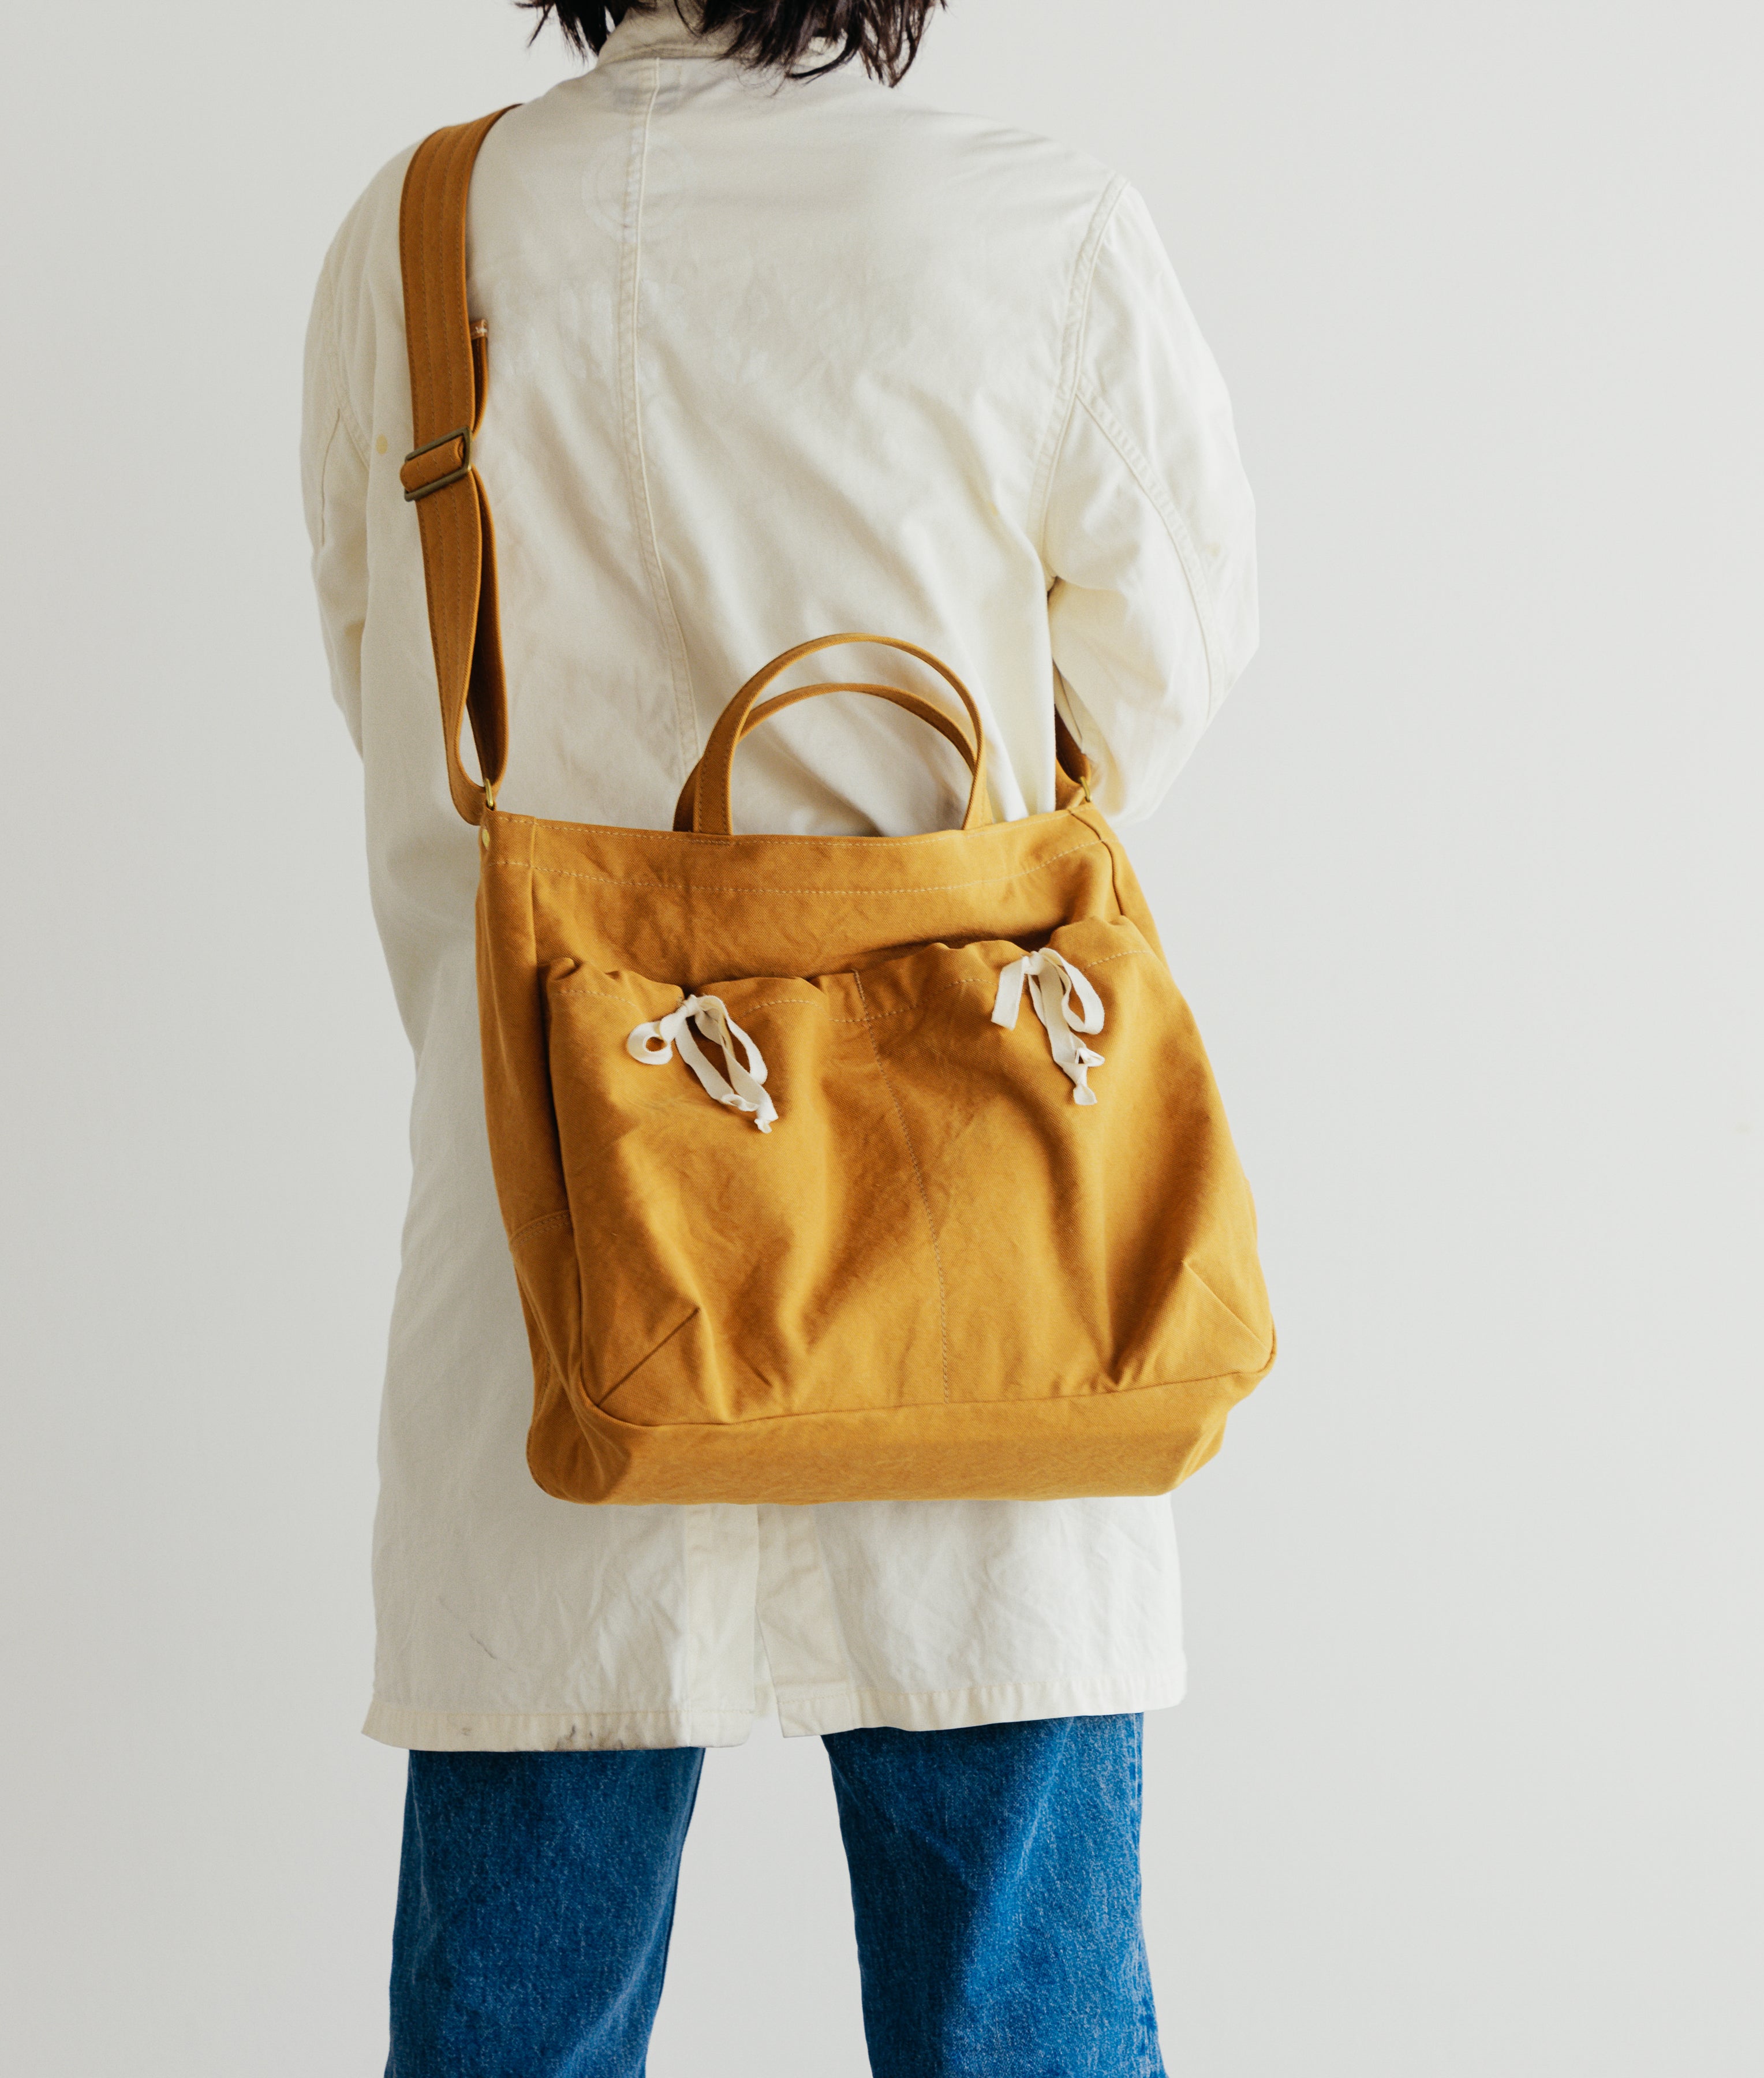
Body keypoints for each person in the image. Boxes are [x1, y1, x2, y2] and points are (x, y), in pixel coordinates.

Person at [300, 2, 1257, 2069]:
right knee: (1021, 2019)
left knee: (513, 2025)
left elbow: (390, 678)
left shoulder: (425, 232)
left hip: (567, 1232)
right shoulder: (1032, 221)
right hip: (972, 1229)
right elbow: (1163, 665)